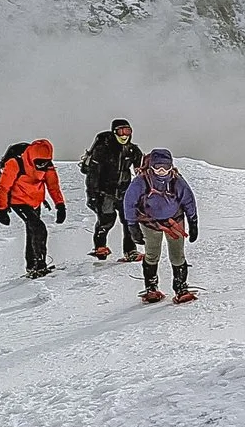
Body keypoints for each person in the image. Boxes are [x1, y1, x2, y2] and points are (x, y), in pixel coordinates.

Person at [121, 146, 200, 304]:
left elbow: (188, 200)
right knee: (152, 253)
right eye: (158, 167)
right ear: (151, 166)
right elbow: (129, 203)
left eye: (166, 167)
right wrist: (132, 226)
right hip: (150, 223)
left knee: (177, 255)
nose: (162, 171)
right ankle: (151, 288)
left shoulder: (177, 181)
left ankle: (181, 288)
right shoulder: (141, 182)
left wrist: (193, 221)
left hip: (174, 222)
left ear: (171, 166)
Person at [0, 138, 67, 278]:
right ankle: (39, 265)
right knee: (38, 228)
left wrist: (60, 205)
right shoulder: (15, 163)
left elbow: (53, 186)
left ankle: (32, 266)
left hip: (35, 201)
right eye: (39, 162)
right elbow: (3, 188)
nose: (41, 165)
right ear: (31, 157)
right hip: (18, 201)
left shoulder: (47, 166)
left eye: (45, 162)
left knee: (32, 231)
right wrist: (2, 210)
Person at [79, 119, 144, 261]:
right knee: (106, 220)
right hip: (105, 193)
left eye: (127, 131)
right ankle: (100, 248)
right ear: (114, 132)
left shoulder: (133, 150)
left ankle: (131, 251)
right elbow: (93, 175)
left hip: (125, 191)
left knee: (128, 220)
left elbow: (141, 169)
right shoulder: (102, 150)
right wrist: (92, 195)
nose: (124, 135)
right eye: (121, 131)